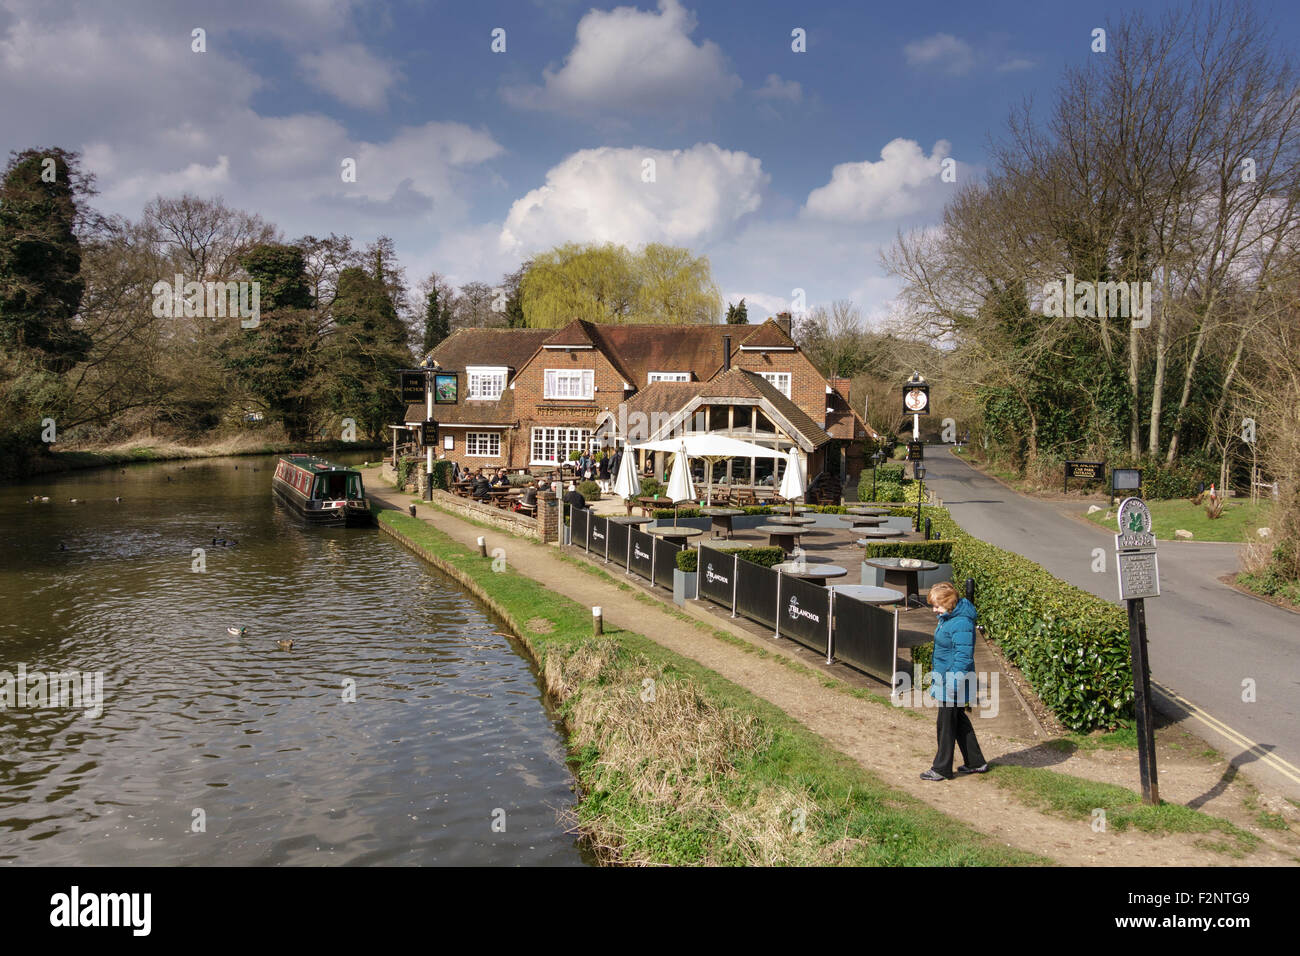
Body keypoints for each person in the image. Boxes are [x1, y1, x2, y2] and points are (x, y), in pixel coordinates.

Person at [920, 581, 988, 780]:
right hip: (948, 679)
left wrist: (951, 684)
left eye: (937, 606)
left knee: (946, 726)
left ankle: (941, 768)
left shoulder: (961, 623)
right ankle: (976, 762)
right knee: (958, 722)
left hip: (953, 682)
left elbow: (963, 657)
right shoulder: (950, 617)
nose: (934, 610)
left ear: (949, 604)